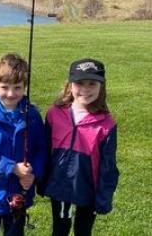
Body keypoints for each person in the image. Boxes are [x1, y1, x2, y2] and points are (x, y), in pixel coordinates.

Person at [40, 58, 119, 236]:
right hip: (60, 186)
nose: (85, 89)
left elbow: (109, 166)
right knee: (60, 229)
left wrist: (103, 197)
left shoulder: (107, 125)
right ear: (69, 85)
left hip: (88, 189)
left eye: (92, 83)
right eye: (79, 83)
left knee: (83, 230)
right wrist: (41, 180)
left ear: (102, 87)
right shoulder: (54, 114)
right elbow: (44, 150)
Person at [0, 53, 46, 236]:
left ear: (24, 87)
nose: (11, 94)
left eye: (17, 87)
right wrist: (12, 168)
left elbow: (42, 149)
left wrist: (32, 173)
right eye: (4, 87)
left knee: (15, 231)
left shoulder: (33, 115)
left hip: (20, 191)